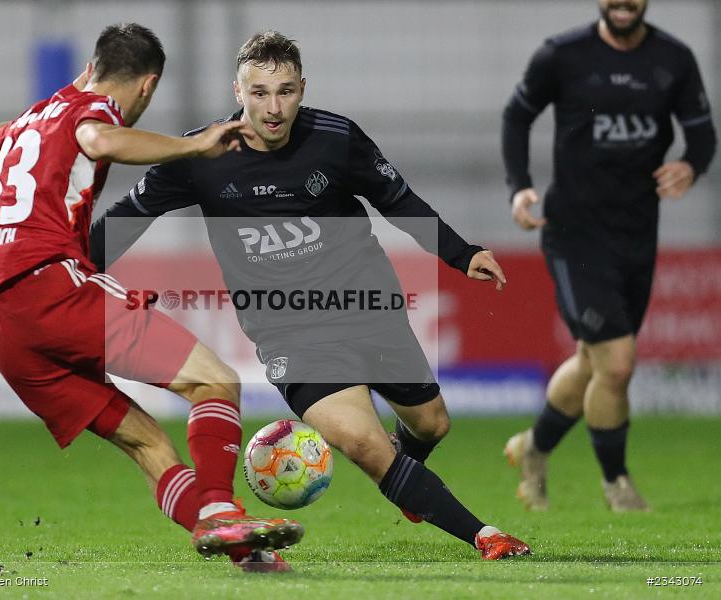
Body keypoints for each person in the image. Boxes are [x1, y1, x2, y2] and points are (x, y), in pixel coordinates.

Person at [91, 31, 530, 560]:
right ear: (238, 91)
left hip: (366, 306)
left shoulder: (336, 139)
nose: (273, 108)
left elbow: (399, 200)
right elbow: (124, 222)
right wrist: (64, 268)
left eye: (285, 91)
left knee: (432, 423)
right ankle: (485, 535)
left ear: (303, 88)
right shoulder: (200, 153)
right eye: (259, 93)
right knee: (363, 445)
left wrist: (462, 253)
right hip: (288, 330)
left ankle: (408, 476)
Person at [0, 23, 303, 572]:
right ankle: (221, 508)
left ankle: (242, 548)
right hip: (50, 285)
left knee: (149, 445)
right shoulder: (91, 116)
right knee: (216, 380)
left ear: (94, 67)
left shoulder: (36, 117)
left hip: (1, 321)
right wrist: (194, 144)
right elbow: (100, 140)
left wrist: (45, 110)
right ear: (147, 86)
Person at [501, 0, 716, 511]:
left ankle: (534, 448)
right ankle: (616, 483)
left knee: (592, 361)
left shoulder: (674, 59)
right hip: (573, 232)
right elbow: (517, 116)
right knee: (617, 364)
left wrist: (691, 165)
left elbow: (703, 135)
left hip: (637, 234)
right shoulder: (562, 55)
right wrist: (520, 187)